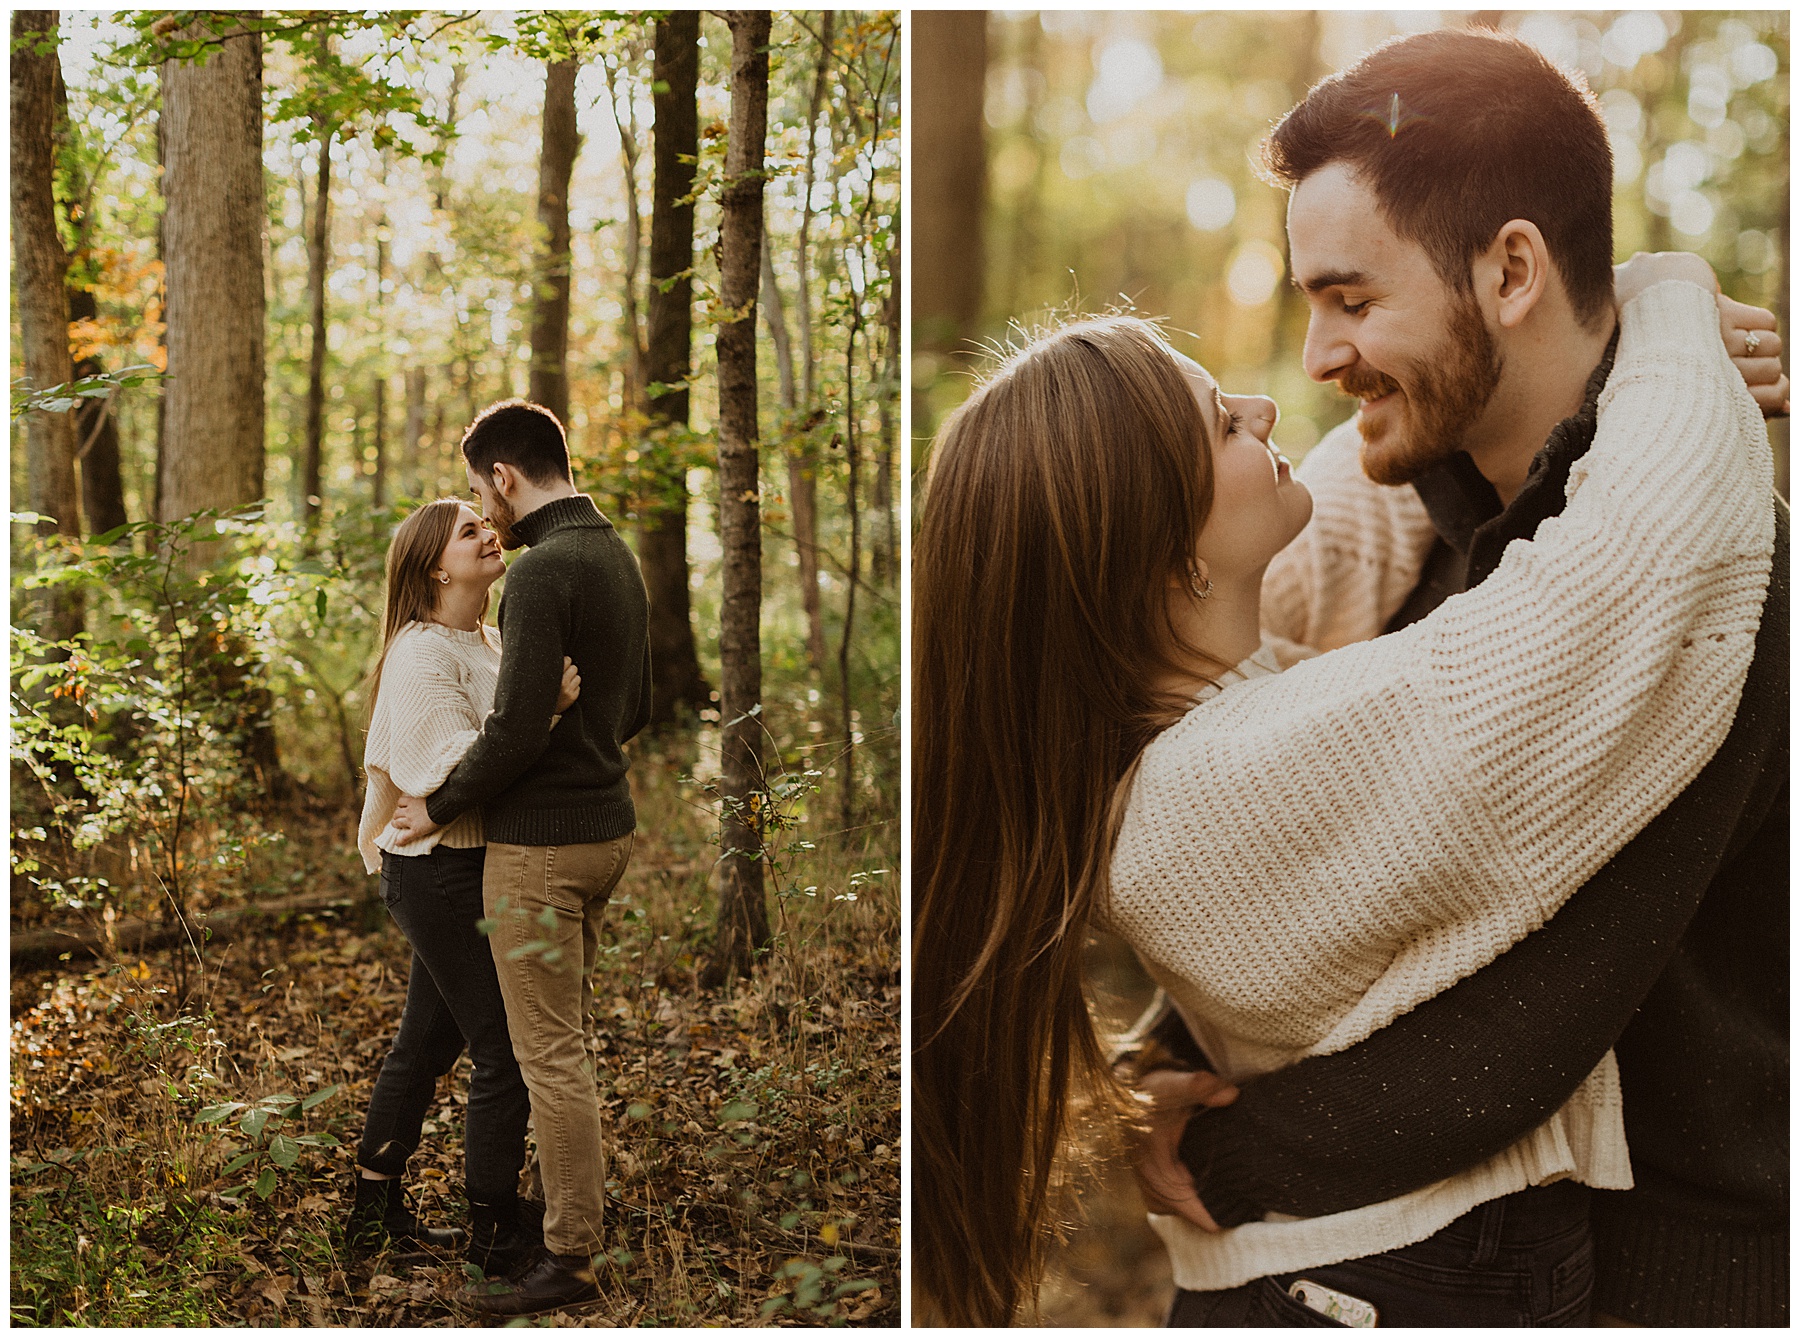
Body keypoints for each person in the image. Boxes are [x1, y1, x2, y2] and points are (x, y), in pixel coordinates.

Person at [911, 221, 1775, 1329]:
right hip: (1399, 1289)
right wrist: (1659, 297)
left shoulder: (1188, 701)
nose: (1271, 407)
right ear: (1166, 551)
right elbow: (1634, 564)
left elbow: (1387, 478)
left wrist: (1532, 352)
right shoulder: (1236, 782)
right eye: (1224, 422)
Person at [1127, 29, 1788, 1328]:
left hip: (1688, 1276)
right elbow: (1359, 873)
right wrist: (1161, 1052)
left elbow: (1511, 1014)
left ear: (1512, 270)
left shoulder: (1704, 591)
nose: (1315, 357)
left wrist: (1219, 1140)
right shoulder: (1420, 529)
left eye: (1352, 300)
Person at [388, 399, 653, 1318]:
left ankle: (567, 1256)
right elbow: (640, 706)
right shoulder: (618, 556)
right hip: (608, 833)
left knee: (548, 1056)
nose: (481, 509)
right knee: (555, 1043)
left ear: (505, 477)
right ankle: (536, 1217)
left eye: (477, 491)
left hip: (540, 853)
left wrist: (439, 802)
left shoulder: (542, 574)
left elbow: (505, 734)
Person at [348, 498, 580, 1277]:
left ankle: (371, 1216)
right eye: (469, 532)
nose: (491, 535)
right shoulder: (421, 654)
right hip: (435, 867)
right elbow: (446, 764)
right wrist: (541, 710)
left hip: (470, 862)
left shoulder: (486, 638)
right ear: (434, 567)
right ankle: (493, 1236)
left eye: (489, 524)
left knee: (427, 1040)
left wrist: (533, 711)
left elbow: (499, 744)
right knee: (504, 1050)